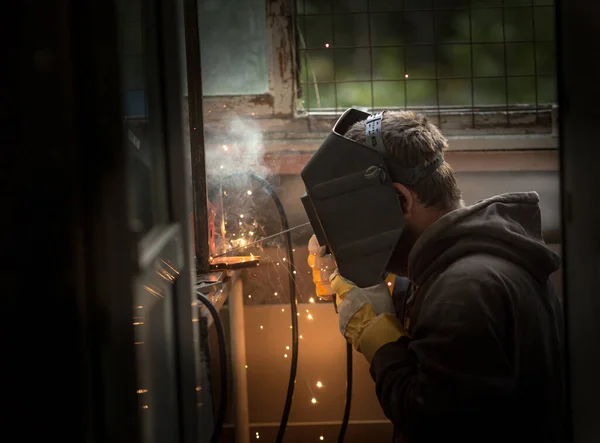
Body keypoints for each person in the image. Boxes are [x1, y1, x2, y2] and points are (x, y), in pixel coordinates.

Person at [308, 111, 565, 443]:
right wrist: (375, 286)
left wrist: (381, 341)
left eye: (356, 219)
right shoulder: (477, 262)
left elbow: (433, 424)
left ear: (400, 199)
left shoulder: (463, 291)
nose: (353, 234)